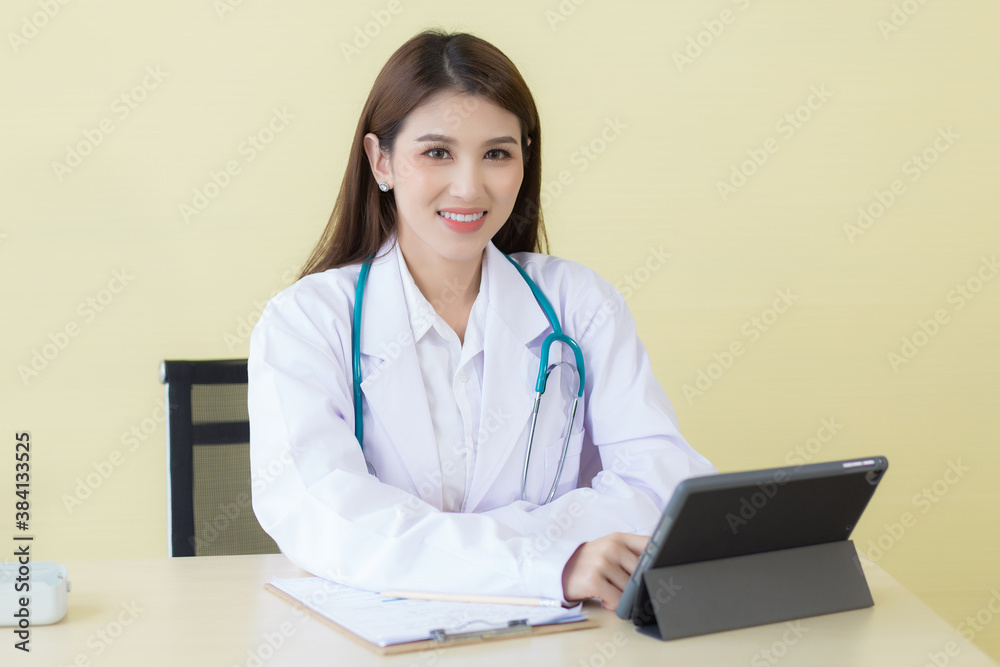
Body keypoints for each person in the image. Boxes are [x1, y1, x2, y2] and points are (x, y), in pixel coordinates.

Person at [248, 29, 715, 610]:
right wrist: (550, 559)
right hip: (379, 639)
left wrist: (471, 553)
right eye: (437, 152)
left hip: (562, 637)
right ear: (381, 160)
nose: (470, 187)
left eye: (497, 152)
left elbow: (661, 483)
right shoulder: (307, 322)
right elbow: (324, 516)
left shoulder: (579, 304)